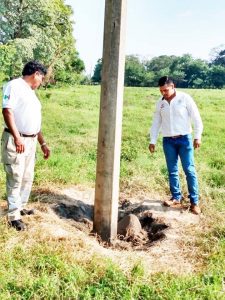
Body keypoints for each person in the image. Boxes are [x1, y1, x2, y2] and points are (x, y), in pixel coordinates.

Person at [1, 60, 50, 230]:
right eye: (41, 78)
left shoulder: (31, 93)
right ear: (36, 73)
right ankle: (13, 216)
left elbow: (34, 122)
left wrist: (42, 142)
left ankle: (20, 207)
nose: (41, 82)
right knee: (15, 176)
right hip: (16, 140)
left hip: (31, 141)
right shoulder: (14, 85)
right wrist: (17, 137)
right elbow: (7, 110)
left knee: (27, 176)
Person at [149, 76, 203, 215]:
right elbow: (156, 122)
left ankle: (194, 202)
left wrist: (197, 136)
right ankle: (176, 197)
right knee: (172, 171)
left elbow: (196, 117)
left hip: (184, 139)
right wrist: (152, 140)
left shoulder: (185, 98)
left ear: (173, 86)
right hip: (168, 141)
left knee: (189, 170)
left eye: (166, 90)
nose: (163, 93)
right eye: (161, 91)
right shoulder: (160, 103)